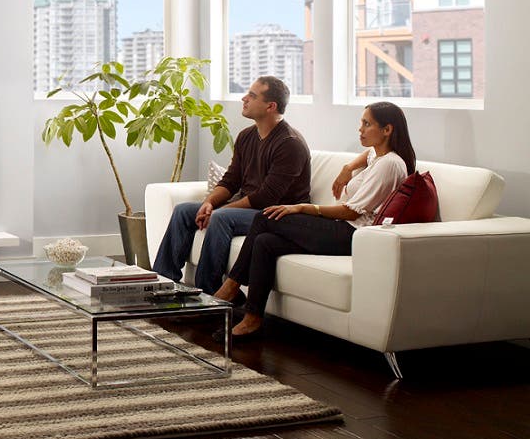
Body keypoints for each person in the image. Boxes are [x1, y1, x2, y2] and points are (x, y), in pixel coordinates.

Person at [213, 101, 416, 341]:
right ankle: (253, 318)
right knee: (265, 242)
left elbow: (350, 212)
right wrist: (347, 167)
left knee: (264, 217)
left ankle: (231, 286)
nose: (360, 129)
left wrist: (303, 208)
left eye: (366, 124)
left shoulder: (390, 165)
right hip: (343, 229)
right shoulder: (378, 155)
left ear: (387, 130)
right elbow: (368, 155)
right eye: (361, 123)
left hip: (350, 234)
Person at [152, 76, 311, 294]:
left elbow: (266, 197)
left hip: (276, 215)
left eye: (252, 96)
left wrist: (219, 210)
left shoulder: (289, 144)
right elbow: (231, 180)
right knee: (183, 211)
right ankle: (162, 285)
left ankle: (207, 295)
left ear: (270, 106)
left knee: (221, 217)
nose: (244, 99)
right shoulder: (246, 136)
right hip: (248, 208)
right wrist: (208, 203)